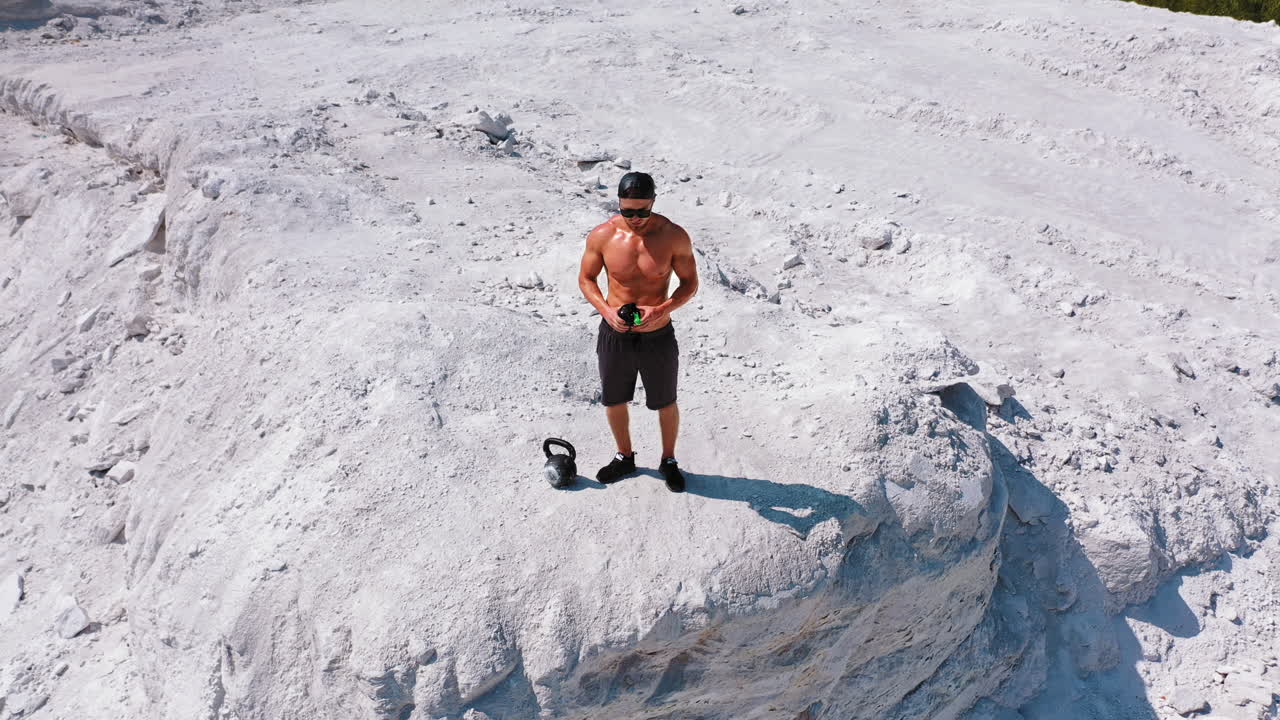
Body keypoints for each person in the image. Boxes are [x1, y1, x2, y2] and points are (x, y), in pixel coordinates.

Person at [577, 171, 699, 492]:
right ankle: (625, 456)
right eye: (627, 211)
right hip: (614, 332)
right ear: (618, 204)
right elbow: (586, 279)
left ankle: (668, 460)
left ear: (653, 203)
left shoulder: (673, 236)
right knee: (614, 400)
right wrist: (606, 311)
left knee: (666, 401)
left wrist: (661, 309)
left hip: (657, 333)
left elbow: (690, 284)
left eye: (642, 211)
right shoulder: (602, 236)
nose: (634, 219)